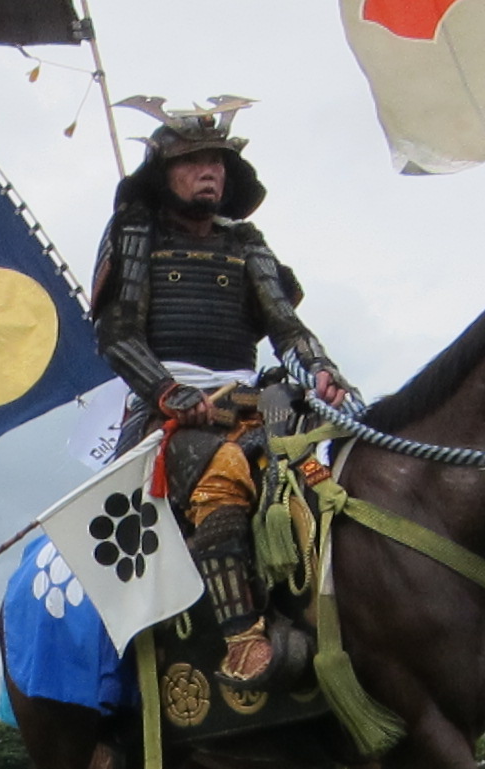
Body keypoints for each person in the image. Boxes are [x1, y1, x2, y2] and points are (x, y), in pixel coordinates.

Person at [90, 96, 349, 688]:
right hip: (168, 417)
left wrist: (322, 371)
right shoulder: (136, 232)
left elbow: (287, 328)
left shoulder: (246, 242)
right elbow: (117, 334)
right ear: (164, 172)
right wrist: (171, 394)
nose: (210, 171)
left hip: (252, 401)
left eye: (218, 162)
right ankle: (242, 639)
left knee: (318, 478)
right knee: (225, 475)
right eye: (194, 161)